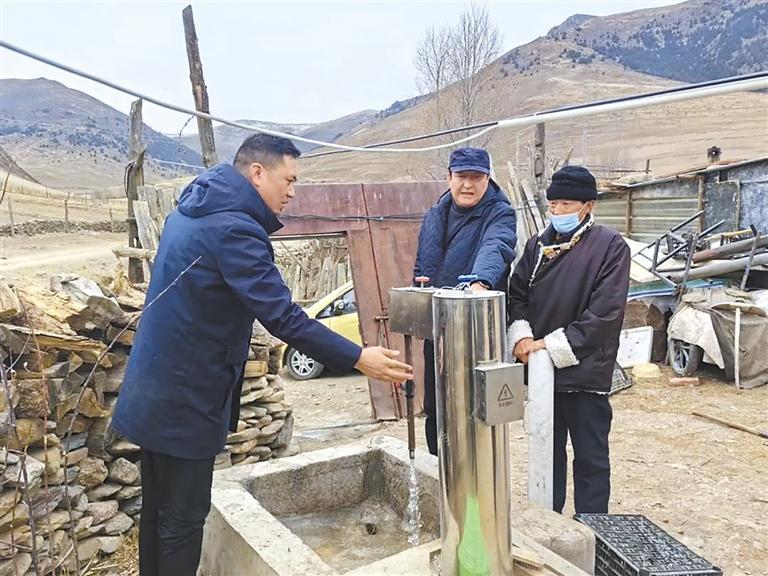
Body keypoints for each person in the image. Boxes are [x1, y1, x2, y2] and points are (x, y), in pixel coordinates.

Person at [111, 134, 412, 576]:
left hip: (154, 385)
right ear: (257, 173)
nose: (292, 192)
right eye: (288, 180)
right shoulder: (234, 229)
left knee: (159, 511)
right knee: (183, 521)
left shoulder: (193, 209)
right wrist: (356, 357)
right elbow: (283, 317)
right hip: (185, 398)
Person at [507, 165, 630, 514]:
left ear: (588, 206)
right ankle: (550, 522)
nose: (557, 211)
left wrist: (550, 345)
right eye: (553, 204)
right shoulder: (537, 245)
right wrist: (522, 337)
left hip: (586, 369)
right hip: (542, 370)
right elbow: (517, 295)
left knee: (591, 457)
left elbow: (605, 313)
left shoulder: (610, 246)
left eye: (566, 204)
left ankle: (593, 527)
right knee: (546, 451)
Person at [413, 147, 517, 456]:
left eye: (476, 177)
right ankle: (438, 470)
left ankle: (475, 480)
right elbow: (424, 264)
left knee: (473, 410)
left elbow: (497, 245)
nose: (468, 185)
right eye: (461, 176)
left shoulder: (500, 212)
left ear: (487, 178)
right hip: (438, 326)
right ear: (449, 177)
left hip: (477, 328)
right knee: (435, 406)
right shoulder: (436, 213)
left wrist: (479, 282)